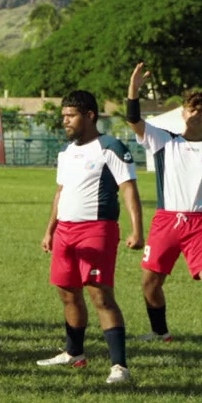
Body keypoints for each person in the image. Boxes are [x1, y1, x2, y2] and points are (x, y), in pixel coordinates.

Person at [126, 63, 202, 360]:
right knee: (150, 283)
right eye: (191, 109)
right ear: (183, 113)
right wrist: (134, 90)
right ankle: (160, 332)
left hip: (199, 224)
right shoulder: (163, 141)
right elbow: (133, 119)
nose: (195, 113)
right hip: (166, 221)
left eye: (201, 110)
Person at [37, 90, 143, 384]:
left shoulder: (111, 147)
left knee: (100, 294)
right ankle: (74, 353)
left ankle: (119, 366)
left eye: (70, 116)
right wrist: (50, 229)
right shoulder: (66, 152)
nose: (65, 121)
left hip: (97, 229)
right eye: (63, 116)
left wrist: (138, 230)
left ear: (89, 116)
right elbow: (60, 192)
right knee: (67, 292)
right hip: (65, 232)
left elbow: (129, 188)